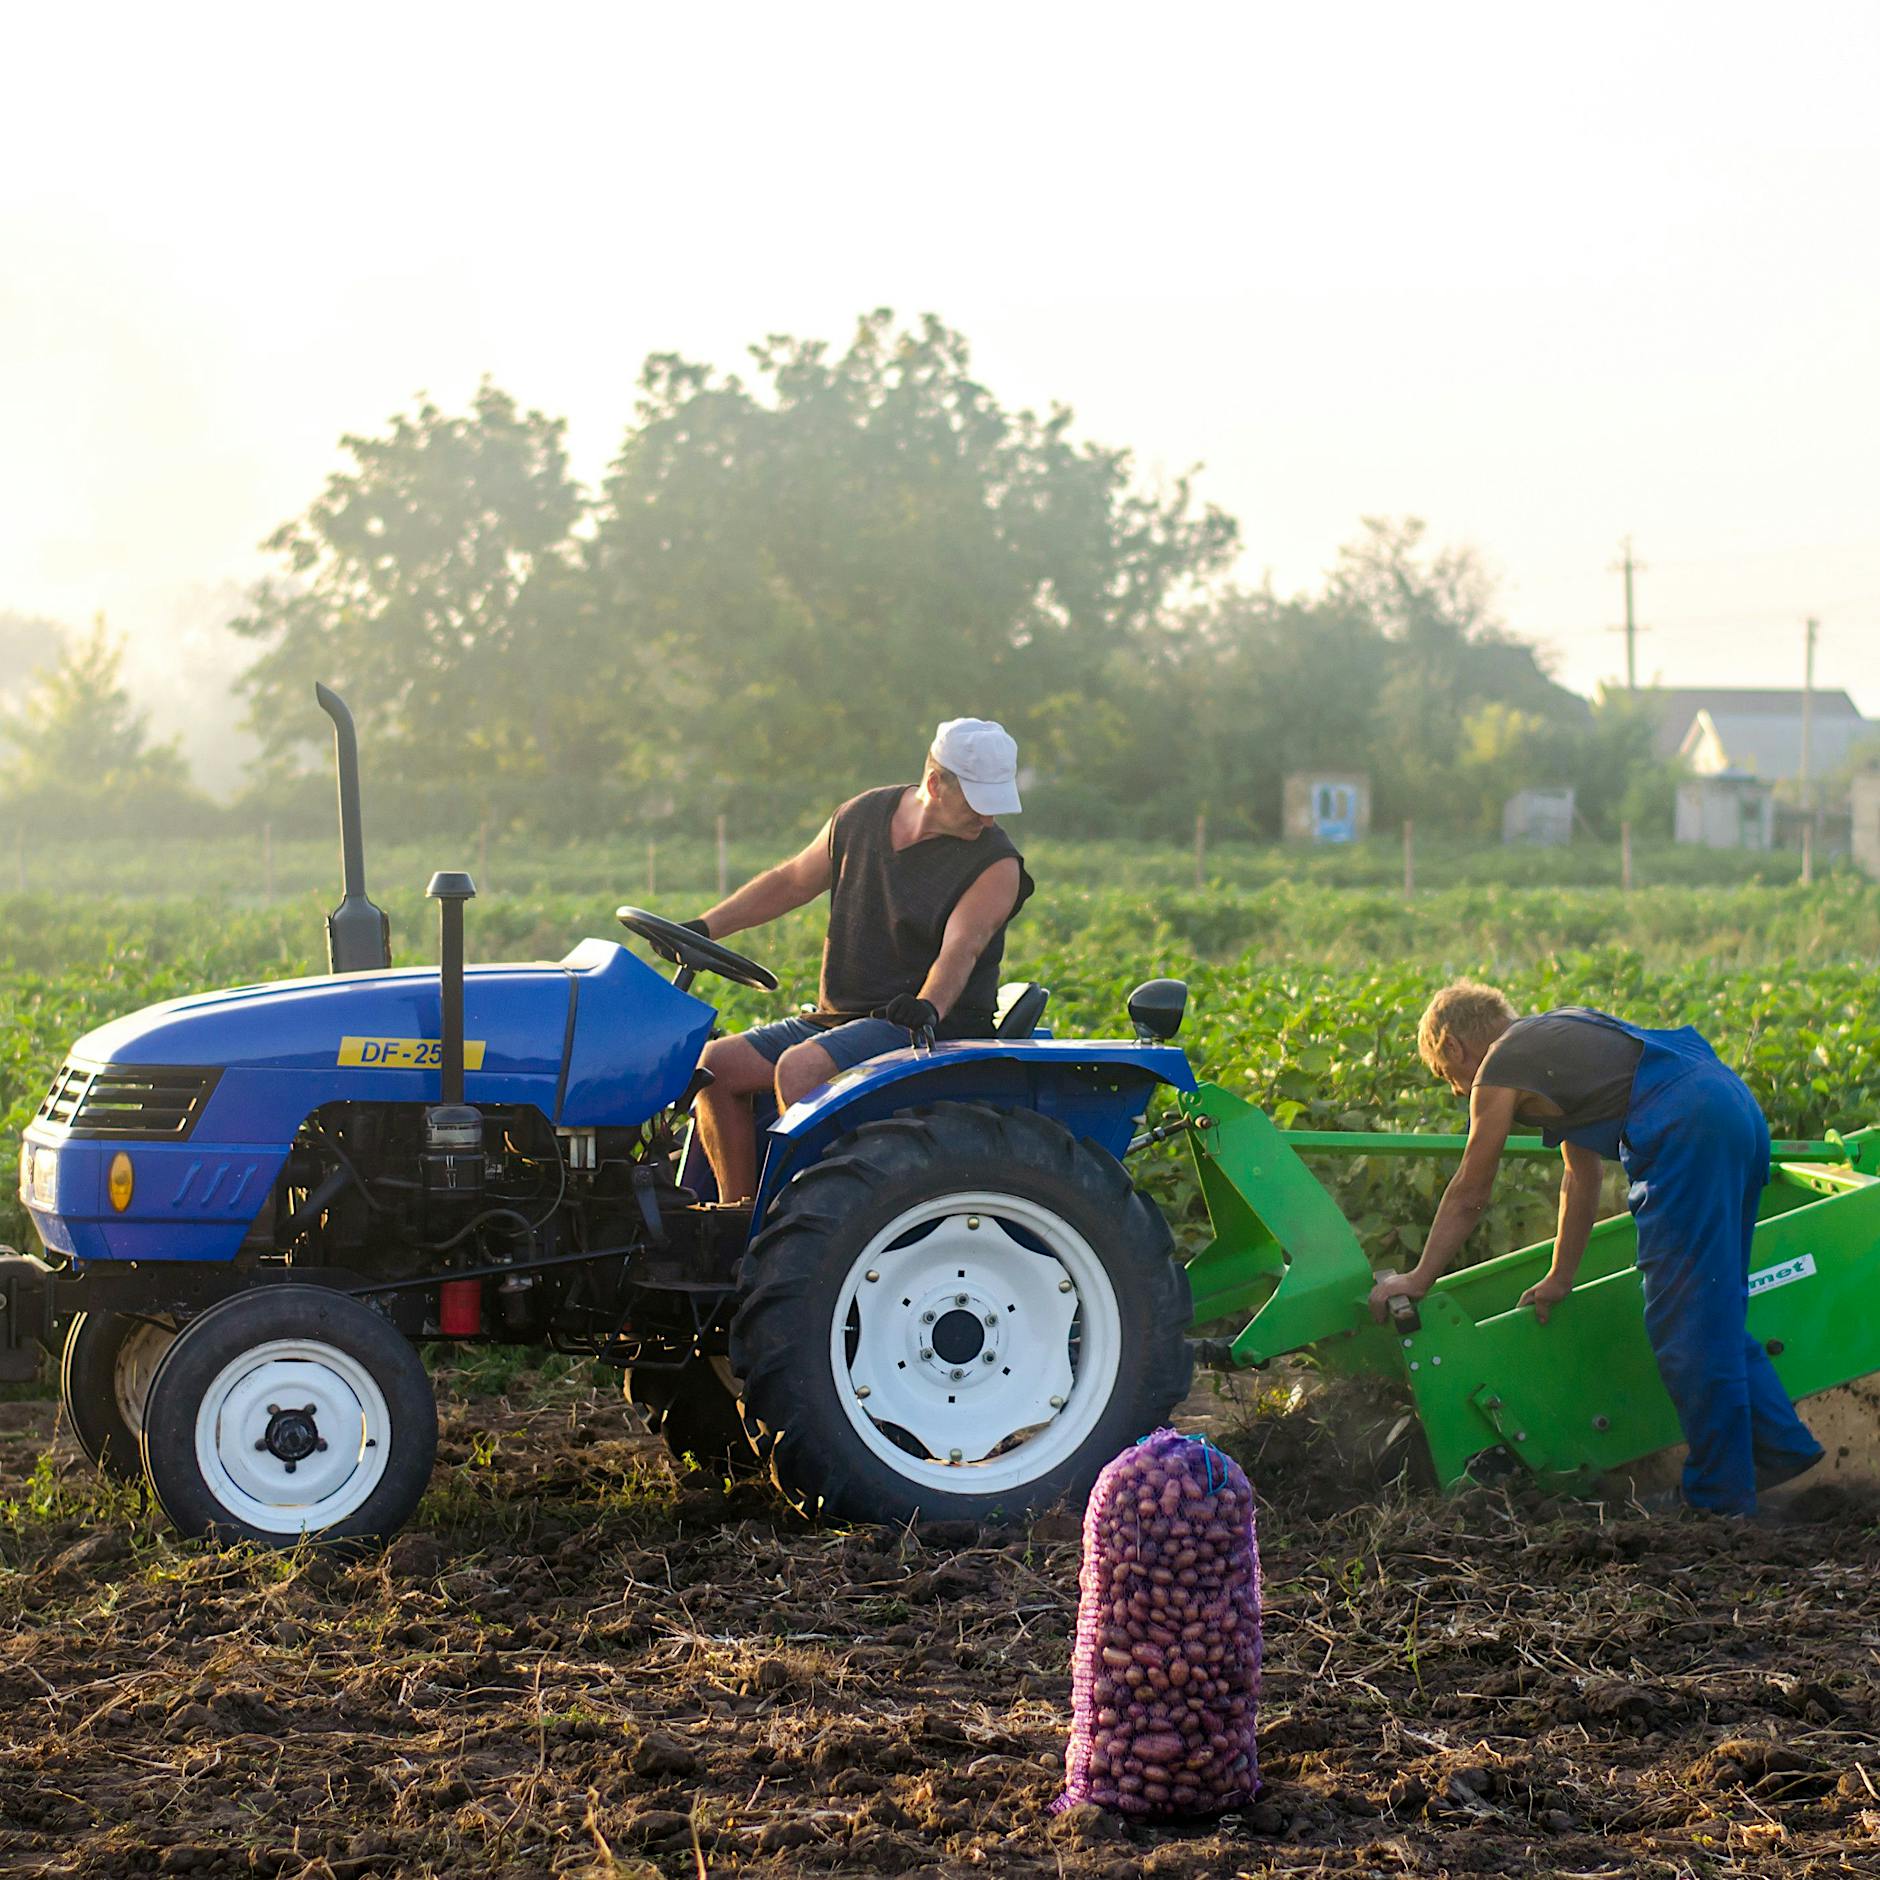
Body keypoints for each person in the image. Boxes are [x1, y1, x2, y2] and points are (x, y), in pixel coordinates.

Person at [1368, 981, 1823, 1518]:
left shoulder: (1498, 1065)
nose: (1455, 1091)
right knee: (1711, 1309)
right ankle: (1777, 1448)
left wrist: (1418, 1279)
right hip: (1729, 1106)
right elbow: (1578, 1178)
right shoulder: (1556, 1040)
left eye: (1448, 1078)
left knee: (1684, 1325)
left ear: (1452, 1048)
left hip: (1685, 1127)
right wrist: (1561, 1275)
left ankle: (1719, 1501)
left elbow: (1472, 1189)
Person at [681, 718, 1034, 1202]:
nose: (989, 819)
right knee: (715, 1066)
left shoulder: (996, 864)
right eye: (978, 803)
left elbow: (963, 947)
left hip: (928, 1025)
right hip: (842, 1017)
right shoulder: (862, 817)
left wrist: (928, 1005)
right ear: (935, 784)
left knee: (800, 1070)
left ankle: (806, 1221)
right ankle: (736, 1219)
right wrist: (704, 928)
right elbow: (791, 882)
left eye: (997, 804)